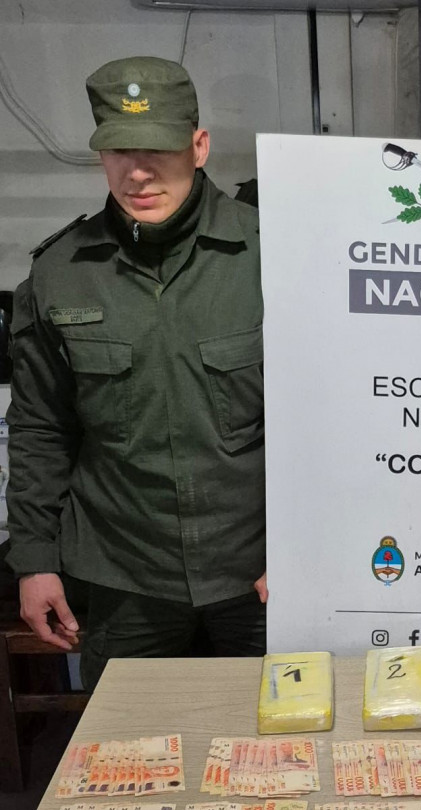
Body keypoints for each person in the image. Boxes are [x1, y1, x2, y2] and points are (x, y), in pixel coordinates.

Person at [6, 56, 267, 690]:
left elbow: (331, 413)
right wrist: (34, 559)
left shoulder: (272, 253)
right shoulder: (61, 273)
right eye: (119, 150)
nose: (139, 172)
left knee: (282, 741)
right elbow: (41, 427)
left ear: (198, 147)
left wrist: (311, 547)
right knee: (130, 745)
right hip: (125, 575)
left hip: (259, 572)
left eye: (159, 149)